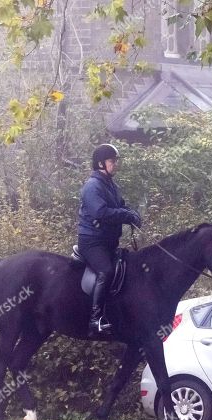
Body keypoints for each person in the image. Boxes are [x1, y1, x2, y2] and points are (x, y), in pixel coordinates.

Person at [77, 143, 141, 337]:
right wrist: (125, 215)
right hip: (92, 242)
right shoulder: (92, 186)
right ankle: (94, 319)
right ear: (100, 164)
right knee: (106, 271)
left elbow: (121, 207)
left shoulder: (111, 185)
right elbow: (101, 212)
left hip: (108, 242)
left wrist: (133, 214)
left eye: (115, 161)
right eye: (112, 161)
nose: (115, 165)